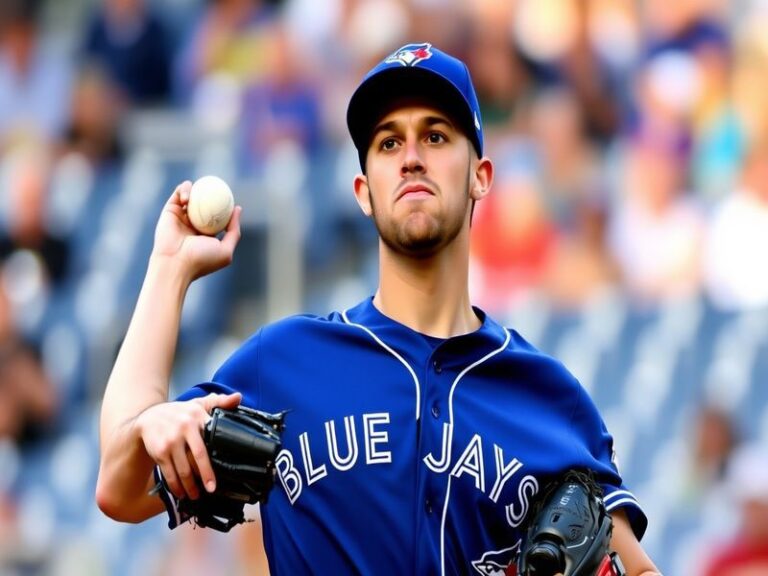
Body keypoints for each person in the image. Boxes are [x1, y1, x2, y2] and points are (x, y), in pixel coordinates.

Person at [96, 42, 660, 575]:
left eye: (436, 137)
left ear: (480, 177)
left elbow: (637, 567)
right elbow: (119, 490)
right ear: (364, 191)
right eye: (389, 142)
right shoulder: (285, 362)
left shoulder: (547, 398)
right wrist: (168, 271)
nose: (411, 157)